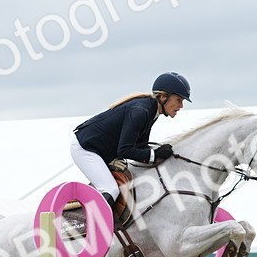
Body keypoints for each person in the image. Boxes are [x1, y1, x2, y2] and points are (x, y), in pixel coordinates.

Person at [70, 72, 191, 220]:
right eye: (178, 100)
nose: (181, 106)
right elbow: (125, 150)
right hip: (86, 149)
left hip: (100, 150)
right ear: (163, 97)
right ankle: (93, 230)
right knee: (110, 189)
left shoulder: (151, 111)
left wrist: (159, 154)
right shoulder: (141, 111)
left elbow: (140, 146)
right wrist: (155, 154)